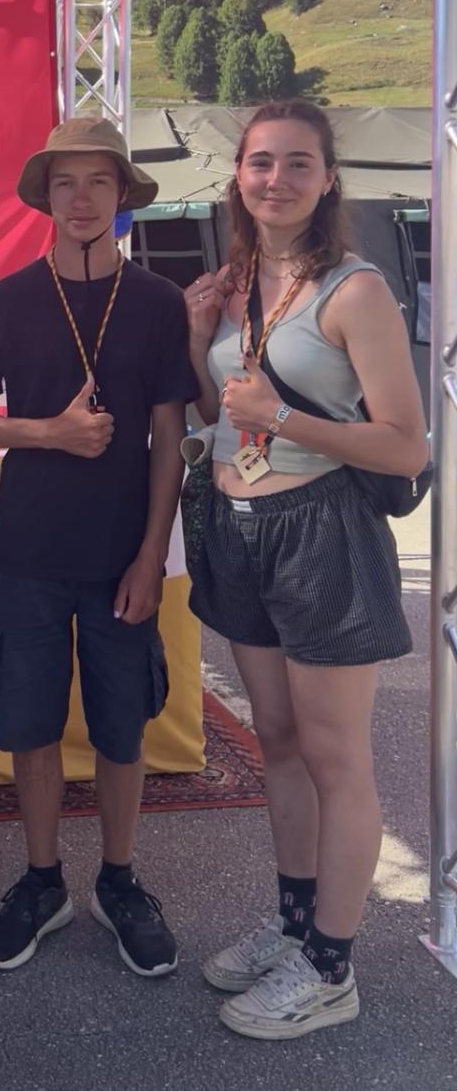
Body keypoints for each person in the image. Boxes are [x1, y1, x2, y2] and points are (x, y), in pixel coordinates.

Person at [183, 99, 427, 1040]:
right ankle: (296, 925)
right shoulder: (245, 278)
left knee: (335, 757)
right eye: (259, 163)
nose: (275, 179)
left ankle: (333, 965)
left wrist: (282, 419)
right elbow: (222, 406)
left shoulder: (355, 289)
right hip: (237, 526)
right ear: (237, 177)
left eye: (297, 164)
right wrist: (196, 336)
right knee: (276, 742)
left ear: (328, 181)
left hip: (321, 528)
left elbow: (405, 446)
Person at [0, 116, 196, 979]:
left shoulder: (159, 303)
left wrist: (151, 555)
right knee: (30, 723)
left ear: (122, 195)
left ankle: (119, 881)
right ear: (45, 196)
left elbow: (172, 438)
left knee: (122, 728)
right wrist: (47, 431)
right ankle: (43, 878)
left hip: (123, 551)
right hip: (29, 552)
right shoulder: (8, 299)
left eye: (98, 181)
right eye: (65, 183)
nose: (81, 198)